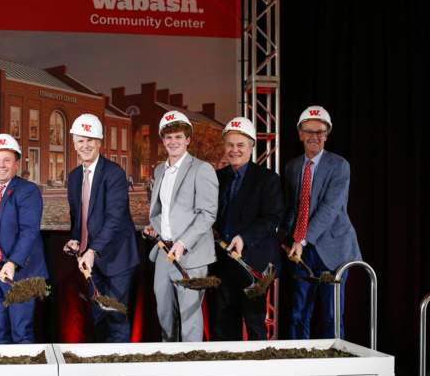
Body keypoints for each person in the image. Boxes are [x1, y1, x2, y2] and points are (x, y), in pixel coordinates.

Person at [282, 106, 361, 338]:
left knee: (330, 316)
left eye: (320, 132)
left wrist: (302, 239)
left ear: (327, 135)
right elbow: (292, 207)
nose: (314, 136)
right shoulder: (292, 167)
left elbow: (330, 208)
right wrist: (285, 237)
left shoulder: (339, 166)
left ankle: (335, 369)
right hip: (300, 250)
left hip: (333, 250)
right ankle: (300, 369)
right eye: (309, 131)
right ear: (300, 134)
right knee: (298, 314)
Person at [63, 113, 139, 343]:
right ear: (74, 144)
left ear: (100, 142)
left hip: (117, 259)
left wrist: (93, 250)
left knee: (115, 318)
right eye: (80, 141)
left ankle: (119, 372)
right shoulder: (75, 176)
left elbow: (114, 219)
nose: (85, 145)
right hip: (89, 260)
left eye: (90, 140)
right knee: (96, 316)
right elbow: (79, 217)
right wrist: (75, 240)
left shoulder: (114, 173)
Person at [144, 110, 218, 342]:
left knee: (190, 318)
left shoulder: (201, 169)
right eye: (168, 137)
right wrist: (154, 226)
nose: (173, 142)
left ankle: (191, 367)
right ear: (162, 140)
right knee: (164, 314)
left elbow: (207, 214)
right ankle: (170, 364)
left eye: (178, 137)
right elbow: (162, 211)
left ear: (188, 139)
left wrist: (183, 243)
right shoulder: (159, 170)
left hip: (191, 256)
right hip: (164, 253)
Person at [211, 117, 283, 340]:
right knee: (223, 326)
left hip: (254, 265)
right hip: (222, 265)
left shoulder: (268, 179)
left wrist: (244, 237)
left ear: (252, 146)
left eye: (240, 145)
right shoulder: (216, 177)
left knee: (254, 325)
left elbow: (273, 219)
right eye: (230, 145)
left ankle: (259, 373)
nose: (234, 150)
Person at [0, 134, 48, 344]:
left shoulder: (28, 191)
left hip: (21, 273)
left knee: (21, 332)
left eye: (7, 160)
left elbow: (29, 231)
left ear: (17, 163)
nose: (2, 165)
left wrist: (13, 262)